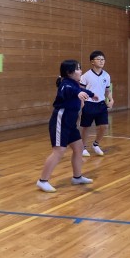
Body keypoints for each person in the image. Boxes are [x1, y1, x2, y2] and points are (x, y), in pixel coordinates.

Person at [36, 60, 97, 193]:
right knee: (59, 151)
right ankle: (42, 181)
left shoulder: (74, 84)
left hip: (71, 123)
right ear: (69, 72)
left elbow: (80, 89)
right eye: (78, 69)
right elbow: (71, 90)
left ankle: (77, 177)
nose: (81, 71)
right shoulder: (65, 84)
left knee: (79, 148)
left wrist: (91, 94)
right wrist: (78, 94)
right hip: (61, 121)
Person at [79, 50, 114, 157]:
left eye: (103, 59)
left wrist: (111, 99)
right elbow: (80, 90)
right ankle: (83, 147)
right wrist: (82, 103)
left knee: (104, 126)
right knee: (86, 127)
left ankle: (96, 144)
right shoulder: (85, 76)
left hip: (101, 104)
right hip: (89, 104)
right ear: (92, 62)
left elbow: (107, 90)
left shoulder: (106, 75)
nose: (101, 61)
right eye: (98, 59)